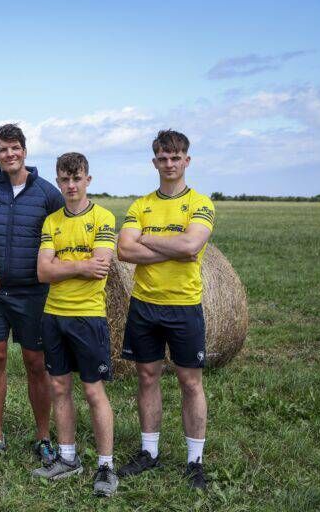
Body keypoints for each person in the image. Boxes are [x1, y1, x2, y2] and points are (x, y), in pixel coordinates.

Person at [116, 130, 215, 489]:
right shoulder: (140, 205)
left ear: (187, 160)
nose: (169, 163)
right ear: (154, 161)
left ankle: (195, 461)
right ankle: (149, 453)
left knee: (191, 383)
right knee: (147, 377)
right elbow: (124, 251)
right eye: (163, 157)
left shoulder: (201, 203)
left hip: (184, 307)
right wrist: (173, 246)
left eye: (176, 157)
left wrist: (146, 238)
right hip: (144, 305)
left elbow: (192, 245)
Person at [0, 124, 65, 463]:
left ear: (24, 150)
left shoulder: (48, 194)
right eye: (2, 149)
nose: (9, 154)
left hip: (34, 294)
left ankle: (43, 437)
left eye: (15, 148)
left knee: (36, 364)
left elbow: (62, 237)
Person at [32, 152, 119, 496]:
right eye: (65, 180)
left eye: (77, 179)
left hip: (88, 316)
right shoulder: (52, 221)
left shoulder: (103, 218)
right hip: (54, 315)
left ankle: (106, 466)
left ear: (88, 180)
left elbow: (101, 265)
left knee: (94, 391)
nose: (71, 185)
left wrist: (63, 265)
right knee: (58, 388)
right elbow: (42, 272)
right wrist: (79, 267)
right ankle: (67, 458)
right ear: (58, 182)